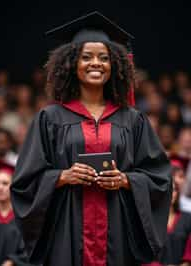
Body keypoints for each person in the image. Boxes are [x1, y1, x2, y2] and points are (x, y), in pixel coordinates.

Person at [10, 11, 172, 266]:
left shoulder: (132, 120)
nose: (95, 63)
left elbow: (160, 178)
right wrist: (62, 177)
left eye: (103, 58)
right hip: (67, 234)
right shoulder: (49, 119)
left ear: (114, 65)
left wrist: (126, 180)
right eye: (86, 57)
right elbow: (24, 183)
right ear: (72, 64)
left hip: (117, 236)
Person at [143, 163, 191, 266]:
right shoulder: (148, 220)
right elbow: (142, 256)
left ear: (177, 193)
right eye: (166, 189)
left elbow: (189, 255)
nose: (170, 193)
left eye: (173, 190)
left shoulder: (188, 219)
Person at [0, 162, 31, 266]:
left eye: (5, 183)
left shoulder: (22, 217)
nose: (0, 187)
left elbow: (29, 249)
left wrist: (13, 261)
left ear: (12, 186)